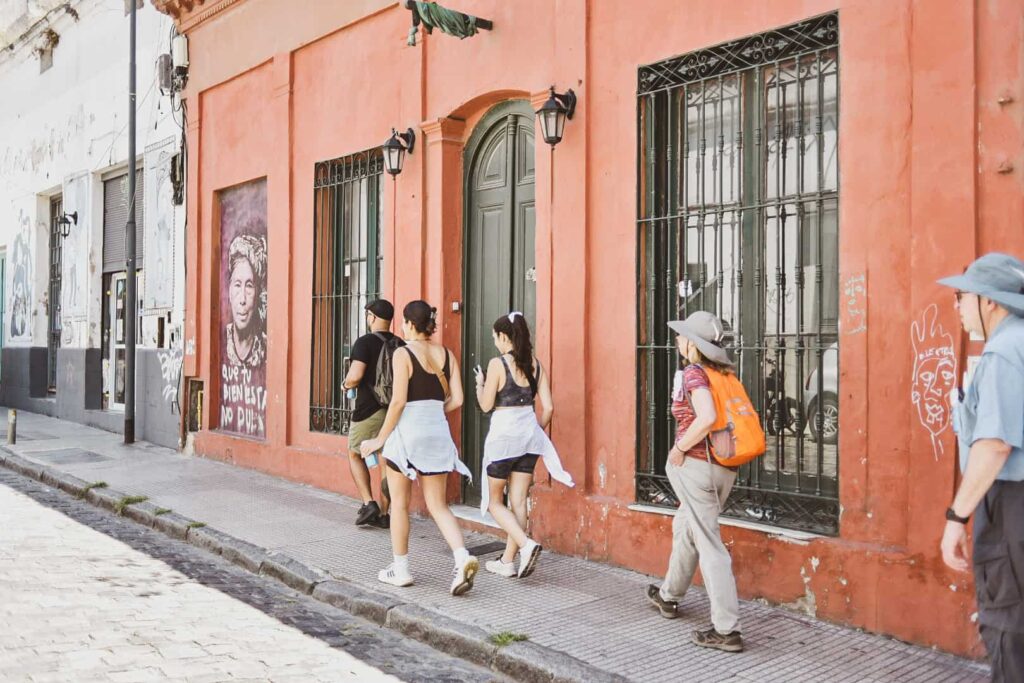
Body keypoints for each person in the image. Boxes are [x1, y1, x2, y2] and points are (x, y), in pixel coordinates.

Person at [937, 253, 1024, 682]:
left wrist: (957, 517)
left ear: (990, 301)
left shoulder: (1004, 351)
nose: (958, 307)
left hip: (1012, 506)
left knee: (1008, 623)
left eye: (961, 296)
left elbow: (993, 445)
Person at [360, 300, 479, 596]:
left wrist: (378, 440)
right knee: (438, 505)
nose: (401, 327)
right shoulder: (447, 354)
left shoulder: (402, 353)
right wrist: (433, 413)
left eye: (403, 322)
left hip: (407, 435)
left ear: (410, 324)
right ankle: (461, 558)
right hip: (438, 433)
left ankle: (400, 569)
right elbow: (459, 400)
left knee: (399, 503)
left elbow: (398, 401)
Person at [646, 310, 743, 653]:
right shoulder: (723, 373)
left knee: (709, 543)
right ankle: (668, 596)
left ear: (693, 344)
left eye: (682, 335)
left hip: (697, 465)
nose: (677, 340)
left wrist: (679, 448)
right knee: (686, 527)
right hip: (723, 469)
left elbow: (708, 418)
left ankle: (727, 629)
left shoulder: (694, 374)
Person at [474, 312, 573, 579]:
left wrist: (480, 385)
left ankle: (527, 545)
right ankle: (507, 561)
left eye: (495, 336)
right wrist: (536, 431)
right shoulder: (536, 365)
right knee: (518, 501)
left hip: (503, 440)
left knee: (496, 502)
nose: (494, 341)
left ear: (504, 337)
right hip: (529, 439)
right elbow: (549, 407)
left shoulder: (498, 364)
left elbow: (485, 405)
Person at [342, 299, 403, 529]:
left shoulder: (364, 342)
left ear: (372, 317)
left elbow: (355, 375)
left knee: (355, 453)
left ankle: (369, 503)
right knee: (388, 459)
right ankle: (387, 514)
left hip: (369, 409)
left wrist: (346, 385)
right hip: (394, 410)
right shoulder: (401, 343)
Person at [225, 233, 267, 368]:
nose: (242, 299)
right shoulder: (218, 341)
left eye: (249, 286)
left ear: (258, 294)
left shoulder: (266, 349)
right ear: (229, 291)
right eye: (237, 285)